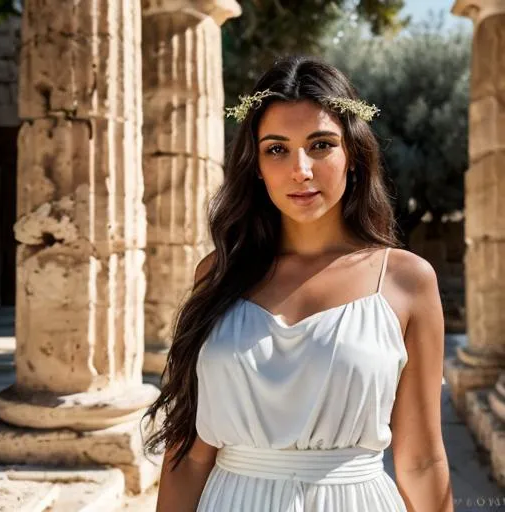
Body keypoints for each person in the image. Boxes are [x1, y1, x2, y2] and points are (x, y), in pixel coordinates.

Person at [145, 55, 453, 511]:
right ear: (256, 167)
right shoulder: (218, 274)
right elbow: (189, 457)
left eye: (321, 144)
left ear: (353, 155)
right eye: (276, 149)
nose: (300, 169)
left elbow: (421, 460)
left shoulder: (406, 281)